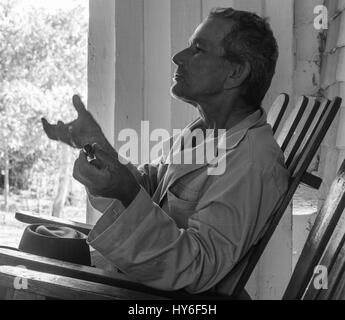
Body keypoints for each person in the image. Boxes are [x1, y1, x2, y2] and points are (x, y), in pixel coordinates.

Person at [42, 8, 289, 296]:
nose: (178, 57)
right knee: (40, 242)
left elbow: (196, 268)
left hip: (153, 297)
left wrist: (125, 192)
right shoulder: (204, 132)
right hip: (132, 279)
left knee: (29, 256)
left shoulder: (251, 162)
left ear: (235, 72)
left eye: (198, 49)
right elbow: (150, 186)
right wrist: (100, 148)